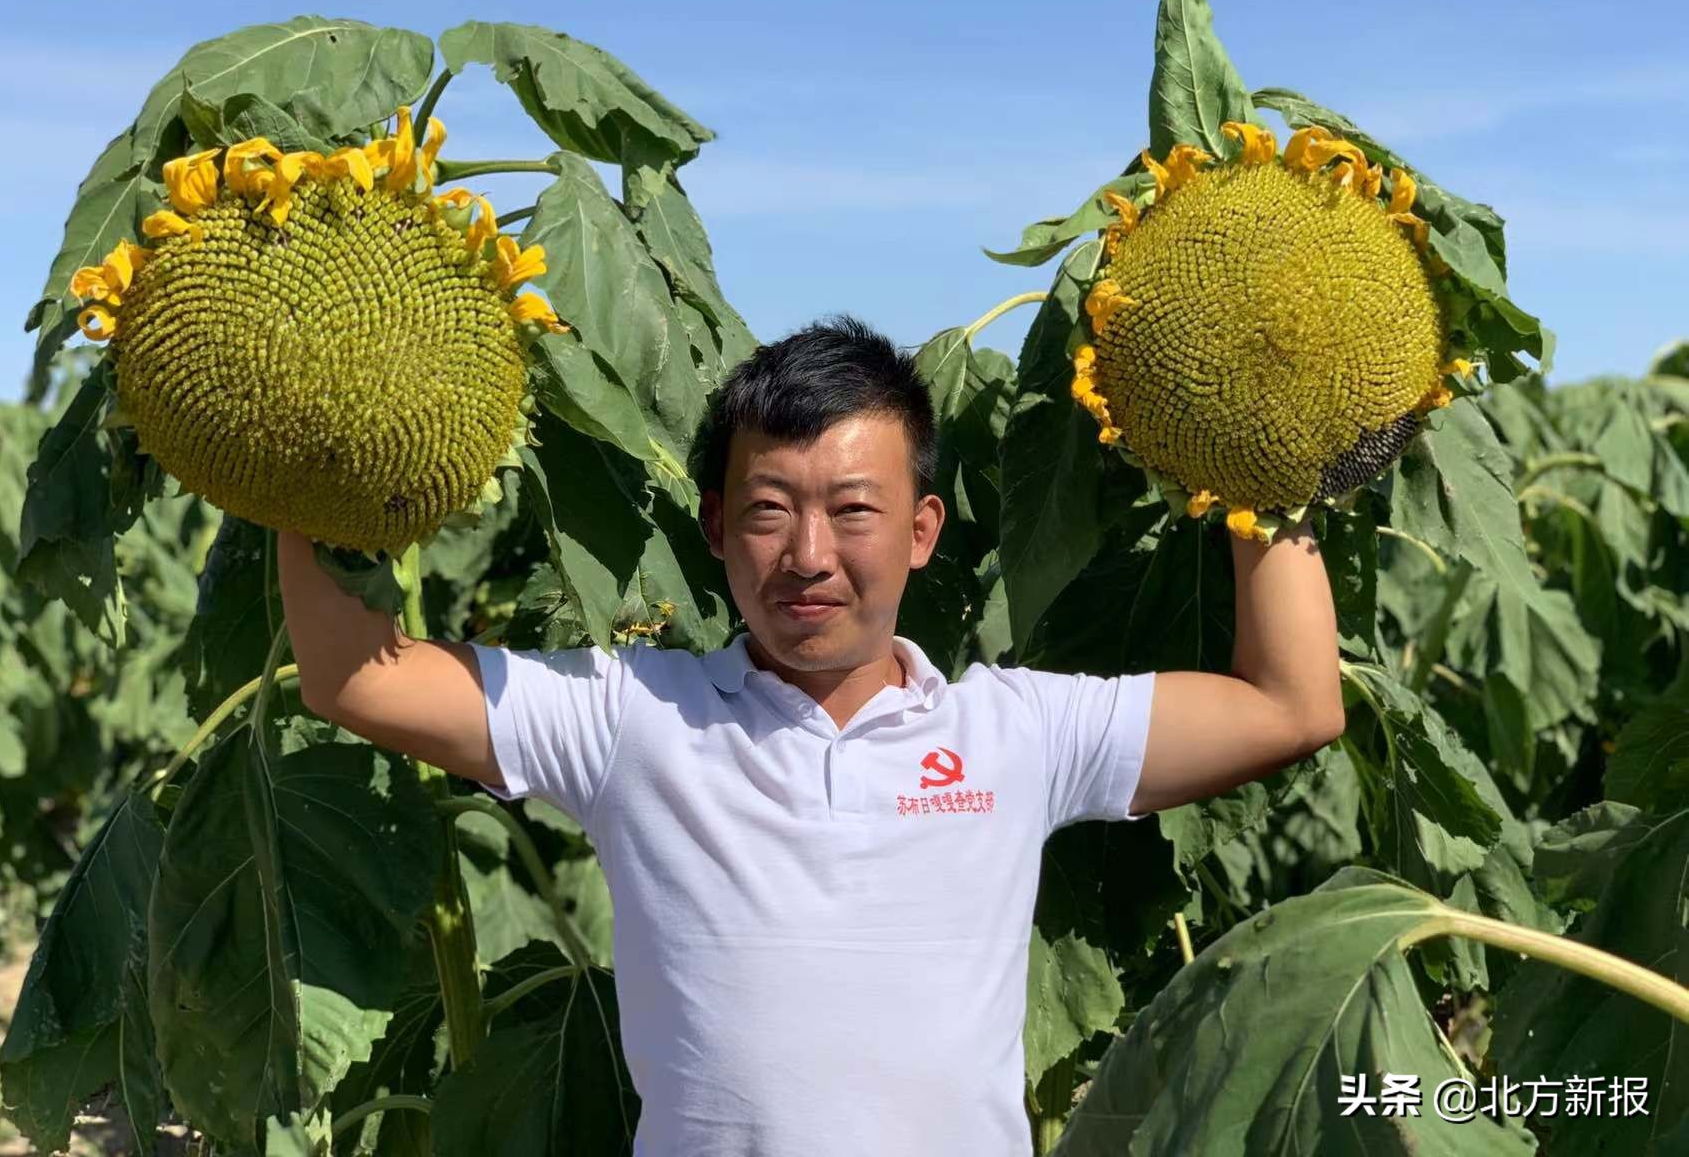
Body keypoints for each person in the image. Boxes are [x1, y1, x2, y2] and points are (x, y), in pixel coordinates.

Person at [278, 315, 1345, 1156]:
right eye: (768, 508)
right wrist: (293, 458)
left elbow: (1289, 706)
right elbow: (350, 676)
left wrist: (1268, 464)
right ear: (712, 529)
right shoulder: (628, 716)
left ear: (923, 532)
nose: (808, 553)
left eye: (852, 509)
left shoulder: (1015, 729)